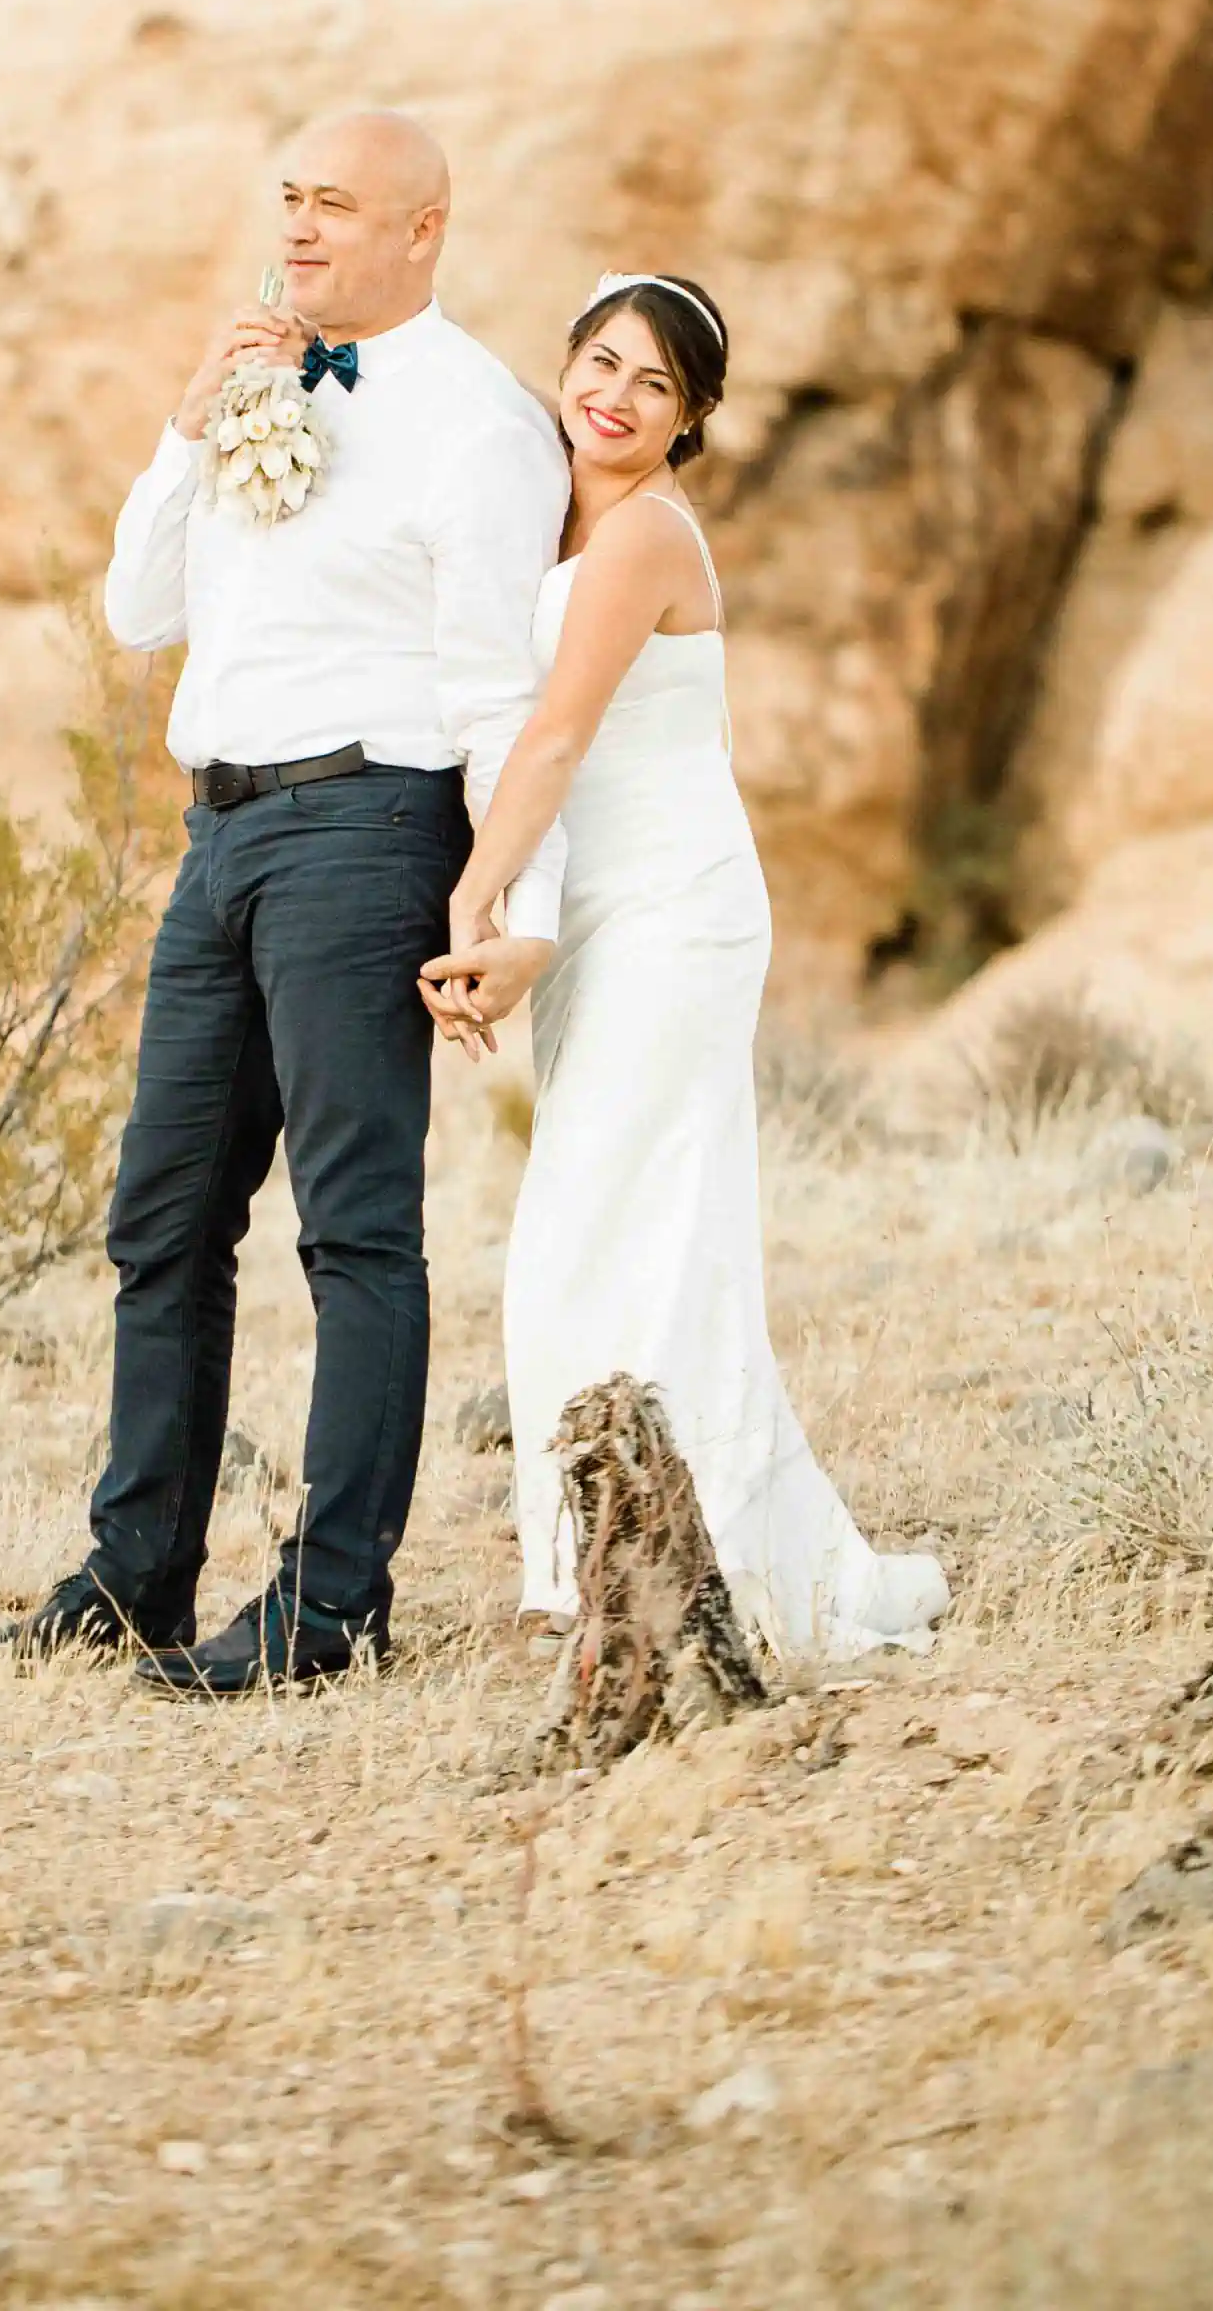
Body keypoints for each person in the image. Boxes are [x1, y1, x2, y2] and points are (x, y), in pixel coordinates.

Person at [0, 110, 569, 1696]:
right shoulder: (250, 381)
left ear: (425, 228)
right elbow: (136, 608)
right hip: (219, 838)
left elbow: (504, 691)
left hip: (370, 832)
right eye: (289, 202)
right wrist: (187, 420)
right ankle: (135, 1574)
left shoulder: (483, 424)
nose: (299, 232)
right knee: (161, 1220)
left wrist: (506, 902)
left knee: (357, 1230)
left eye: (337, 208)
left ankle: (332, 1609)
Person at [421, 274, 948, 1664]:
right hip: (599, 912)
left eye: (655, 385)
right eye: (601, 363)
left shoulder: (647, 536)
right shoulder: (548, 517)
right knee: (625, 1224)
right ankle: (643, 1554)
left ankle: (606, 1575)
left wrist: (473, 904)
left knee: (601, 1229)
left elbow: (551, 742)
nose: (616, 397)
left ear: (691, 419)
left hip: (674, 911)